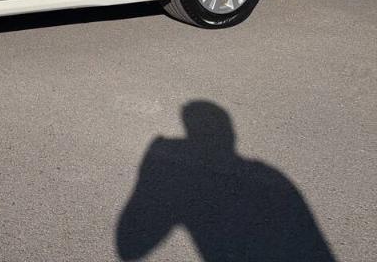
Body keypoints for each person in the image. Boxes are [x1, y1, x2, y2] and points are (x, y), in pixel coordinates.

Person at [116, 100, 335, 261]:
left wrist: (149, 173)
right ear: (230, 134)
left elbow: (129, 246)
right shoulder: (271, 177)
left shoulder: (188, 181)